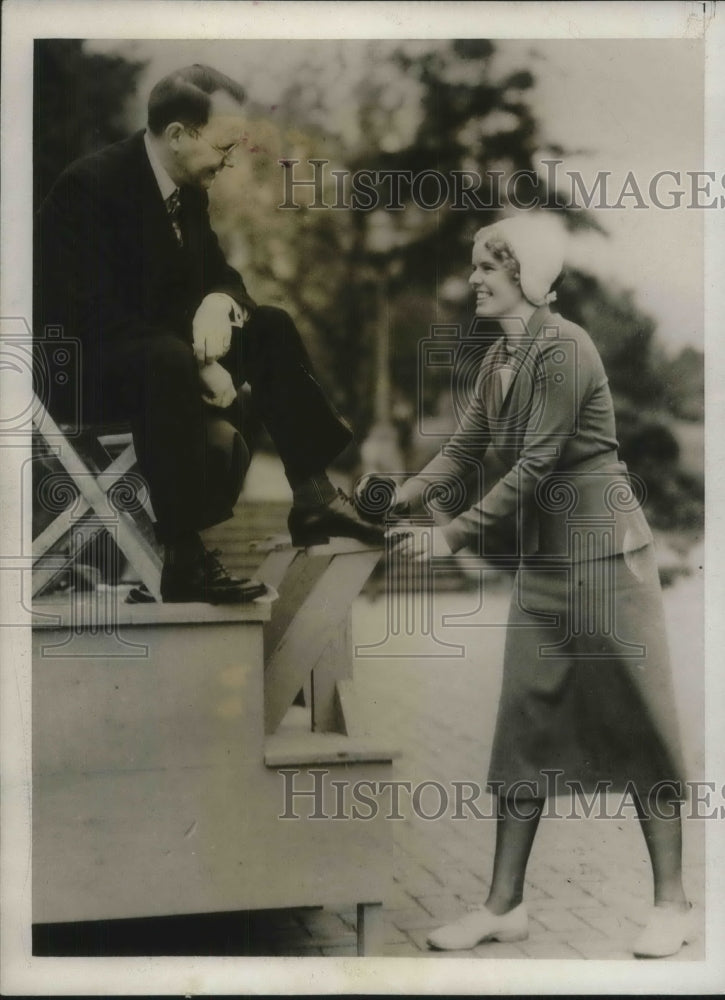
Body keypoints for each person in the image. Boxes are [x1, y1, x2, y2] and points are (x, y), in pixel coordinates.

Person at [386, 214, 694, 959]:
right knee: (522, 729)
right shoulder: (500, 356)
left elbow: (533, 464)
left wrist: (450, 535)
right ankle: (504, 906)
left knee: (638, 725)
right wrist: (389, 499)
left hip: (605, 558)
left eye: (489, 267)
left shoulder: (564, 347)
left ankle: (672, 903)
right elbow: (463, 449)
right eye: (475, 266)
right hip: (545, 565)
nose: (474, 280)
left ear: (526, 274)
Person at [34, 64, 383, 604]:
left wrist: (220, 303)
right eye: (224, 145)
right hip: (79, 373)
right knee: (167, 360)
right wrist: (199, 363)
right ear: (178, 134)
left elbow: (223, 275)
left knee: (269, 325)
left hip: (156, 361)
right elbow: (90, 314)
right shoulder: (91, 185)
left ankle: (314, 496)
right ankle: (185, 558)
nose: (231, 159)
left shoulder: (187, 194)